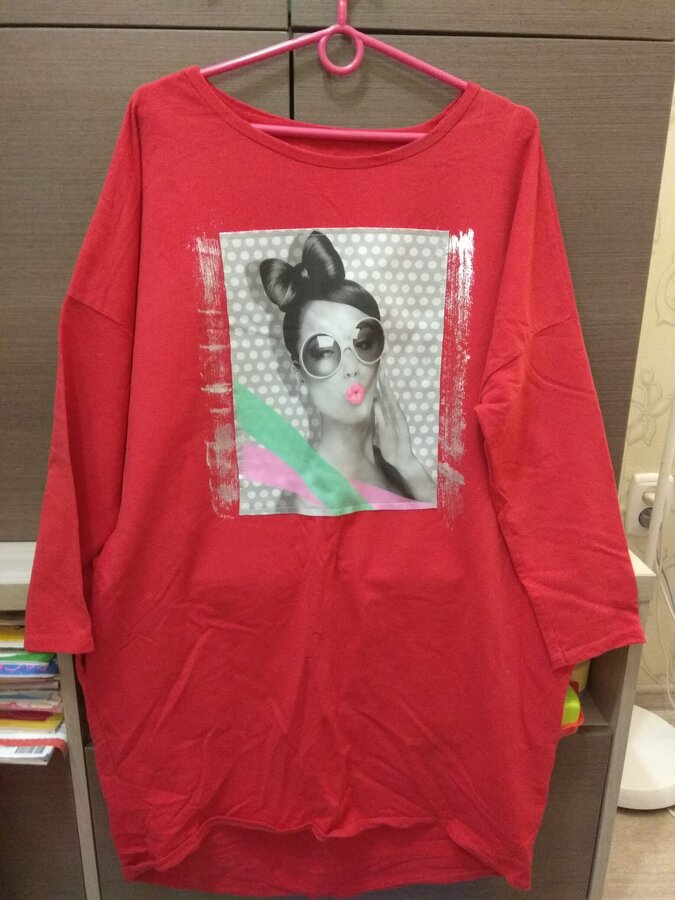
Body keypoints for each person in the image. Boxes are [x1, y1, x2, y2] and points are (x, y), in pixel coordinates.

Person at [253, 229, 436, 514]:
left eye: (363, 342)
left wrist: (409, 465)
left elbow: (448, 537)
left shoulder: (396, 462)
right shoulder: (314, 502)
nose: (351, 368)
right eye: (324, 351)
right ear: (298, 374)